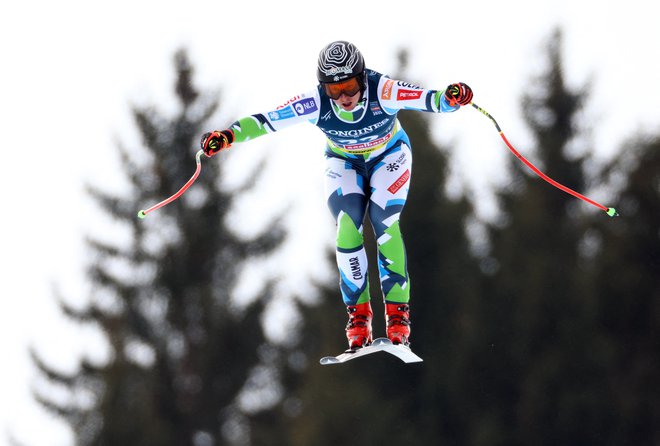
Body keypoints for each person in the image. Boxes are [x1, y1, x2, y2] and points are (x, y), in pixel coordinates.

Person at [201, 40, 473, 349]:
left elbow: (431, 100)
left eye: (349, 86)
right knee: (347, 225)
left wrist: (453, 97)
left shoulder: (382, 90)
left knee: (384, 223)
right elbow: (267, 121)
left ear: (362, 77)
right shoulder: (316, 103)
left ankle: (398, 315)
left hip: (390, 157)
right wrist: (227, 136)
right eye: (334, 90)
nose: (343, 97)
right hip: (344, 162)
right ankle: (358, 317)